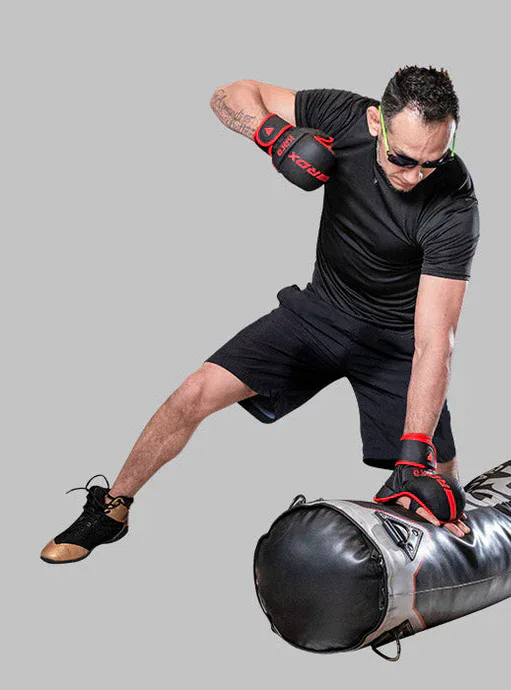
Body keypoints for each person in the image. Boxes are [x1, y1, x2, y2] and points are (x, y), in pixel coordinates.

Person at [40, 66, 480, 565]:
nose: (415, 175)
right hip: (320, 312)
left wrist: (416, 449)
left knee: (440, 489)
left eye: (432, 161)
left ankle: (456, 544)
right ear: (376, 123)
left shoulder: (454, 205)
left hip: (395, 342)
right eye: (402, 158)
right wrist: (273, 136)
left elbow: (434, 341)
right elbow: (231, 94)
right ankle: (112, 509)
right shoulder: (344, 115)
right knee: (193, 393)